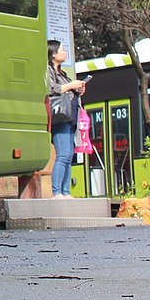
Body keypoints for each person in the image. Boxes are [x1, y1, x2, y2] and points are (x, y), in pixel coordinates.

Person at [46, 40, 85, 199]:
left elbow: (67, 91)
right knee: (62, 155)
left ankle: (66, 191)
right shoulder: (48, 71)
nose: (65, 51)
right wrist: (71, 86)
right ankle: (57, 192)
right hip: (60, 118)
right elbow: (51, 89)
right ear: (53, 53)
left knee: (69, 156)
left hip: (70, 117)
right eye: (62, 49)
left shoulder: (63, 74)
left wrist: (78, 89)